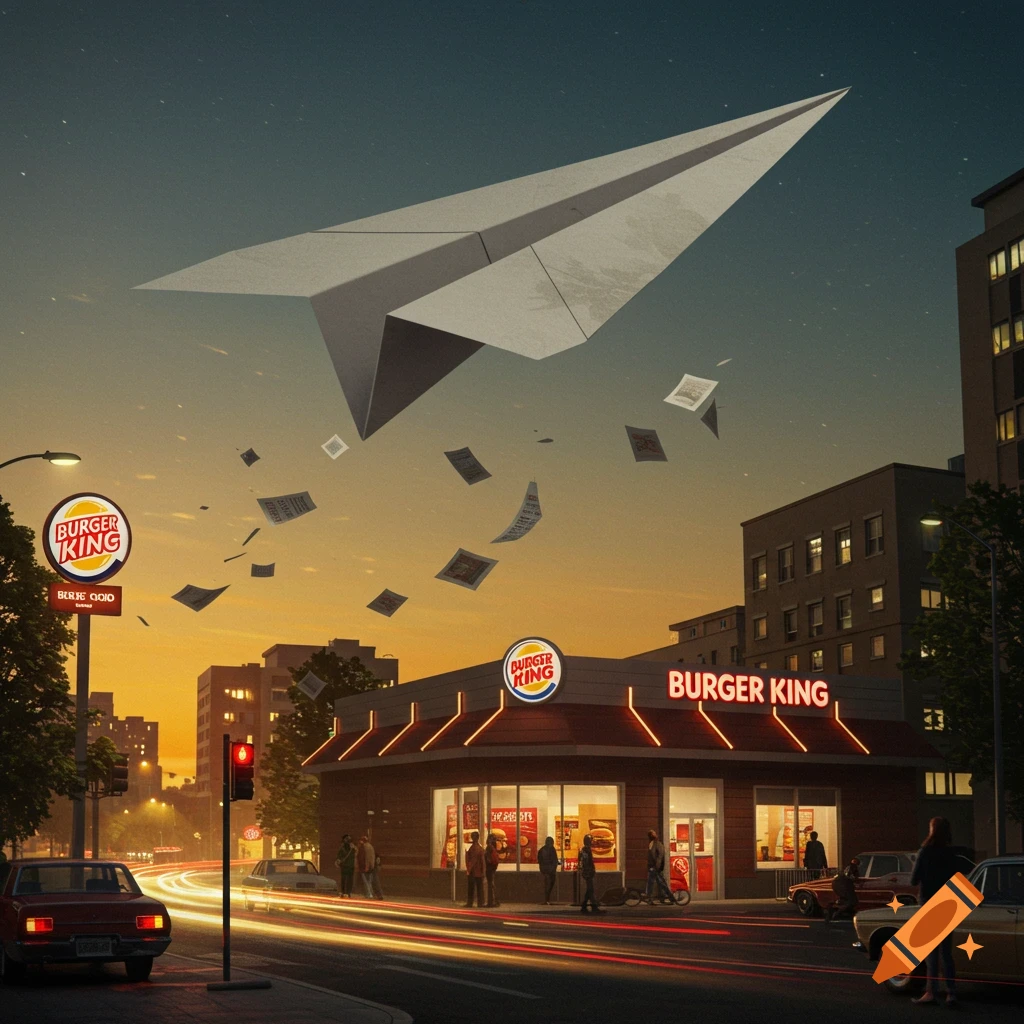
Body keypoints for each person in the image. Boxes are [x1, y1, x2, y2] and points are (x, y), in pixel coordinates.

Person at [910, 817, 959, 1007]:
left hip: (929, 903)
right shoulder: (950, 853)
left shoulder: (925, 852)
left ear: (932, 830)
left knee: (931, 951)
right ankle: (951, 993)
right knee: (947, 952)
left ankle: (931, 992)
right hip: (947, 904)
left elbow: (914, 879)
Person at [825, 857, 860, 922]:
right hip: (843, 885)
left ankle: (835, 910)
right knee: (852, 901)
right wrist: (855, 880)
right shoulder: (852, 867)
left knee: (846, 900)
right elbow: (849, 876)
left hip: (840, 884)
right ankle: (837, 913)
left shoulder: (848, 866)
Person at [645, 829, 674, 904]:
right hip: (653, 866)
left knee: (654, 883)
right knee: (659, 882)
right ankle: (664, 898)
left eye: (654, 833)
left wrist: (657, 866)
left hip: (655, 867)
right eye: (652, 834)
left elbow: (660, 856)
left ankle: (669, 897)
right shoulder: (651, 843)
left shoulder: (657, 844)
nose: (653, 835)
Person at [578, 834, 603, 913]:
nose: (592, 842)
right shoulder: (586, 850)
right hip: (588, 872)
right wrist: (591, 870)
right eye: (590, 840)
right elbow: (587, 862)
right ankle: (593, 907)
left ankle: (584, 906)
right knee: (590, 889)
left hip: (587, 872)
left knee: (589, 889)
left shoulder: (585, 849)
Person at [465, 831, 485, 907]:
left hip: (473, 871)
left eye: (472, 836)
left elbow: (471, 860)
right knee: (479, 888)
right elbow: (483, 861)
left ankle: (470, 903)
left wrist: (469, 869)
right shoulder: (480, 848)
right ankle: (480, 903)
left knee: (471, 888)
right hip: (479, 871)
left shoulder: (473, 848)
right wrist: (483, 871)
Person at [538, 836, 559, 904]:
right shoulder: (552, 849)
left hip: (545, 870)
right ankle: (547, 899)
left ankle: (547, 899)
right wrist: (553, 867)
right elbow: (554, 859)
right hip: (550, 870)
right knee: (550, 884)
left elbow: (540, 860)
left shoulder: (542, 850)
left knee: (548, 884)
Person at [485, 833, 501, 907]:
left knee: (490, 885)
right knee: (492, 884)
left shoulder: (489, 848)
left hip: (489, 868)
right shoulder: (494, 848)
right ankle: (495, 901)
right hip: (493, 867)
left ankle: (492, 902)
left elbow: (488, 859)